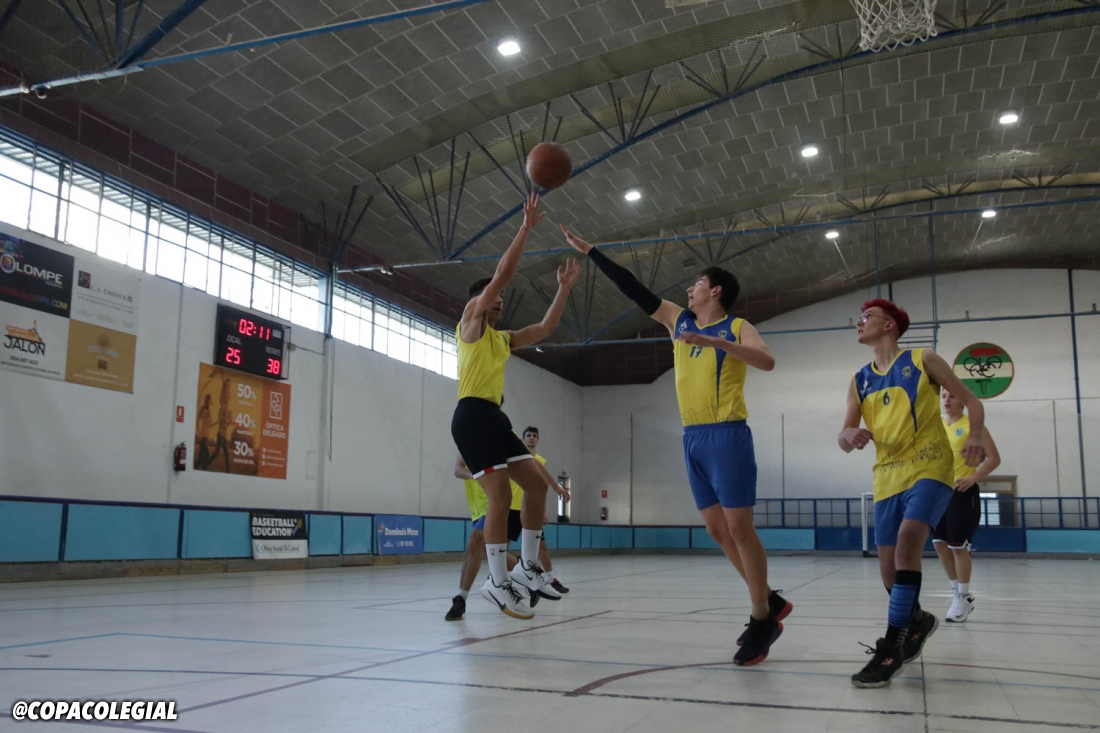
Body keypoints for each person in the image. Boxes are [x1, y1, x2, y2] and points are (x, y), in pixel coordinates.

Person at [559, 225, 791, 667]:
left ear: (715, 291)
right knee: (717, 531)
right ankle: (770, 600)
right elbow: (635, 289)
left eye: (698, 283)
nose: (689, 288)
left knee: (740, 528)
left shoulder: (737, 326)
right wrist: (593, 251)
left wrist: (715, 341)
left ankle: (763, 617)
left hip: (727, 433)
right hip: (693, 437)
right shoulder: (678, 320)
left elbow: (767, 360)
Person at [838, 298, 986, 688]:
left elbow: (972, 400)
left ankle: (891, 649)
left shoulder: (923, 359)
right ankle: (918, 620)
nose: (859, 322)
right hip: (887, 476)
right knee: (889, 571)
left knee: (908, 542)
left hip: (929, 466)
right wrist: (848, 434)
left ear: (889, 325)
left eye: (866, 317)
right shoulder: (859, 380)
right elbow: (843, 438)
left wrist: (974, 434)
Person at [452, 193, 580, 619]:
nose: (500, 303)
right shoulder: (470, 325)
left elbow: (545, 327)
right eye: (495, 299)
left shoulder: (503, 339)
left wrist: (562, 290)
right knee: (500, 495)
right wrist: (525, 228)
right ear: (478, 303)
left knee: (536, 486)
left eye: (502, 302)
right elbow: (502, 275)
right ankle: (496, 582)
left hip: (494, 416)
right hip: (471, 415)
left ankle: (527, 565)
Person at [934, 387, 1000, 623]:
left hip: (963, 492)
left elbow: (994, 458)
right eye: (943, 396)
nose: (947, 400)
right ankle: (957, 594)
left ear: (963, 401)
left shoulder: (974, 426)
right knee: (939, 544)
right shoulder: (936, 426)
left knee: (957, 546)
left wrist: (973, 477)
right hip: (939, 493)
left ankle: (963, 595)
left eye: (952, 396)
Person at [446, 453, 520, 621]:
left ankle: (461, 599)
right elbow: (458, 470)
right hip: (477, 507)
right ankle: (526, 574)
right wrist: (473, 475)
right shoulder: (465, 444)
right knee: (489, 552)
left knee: (475, 541)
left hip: (497, 501)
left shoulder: (500, 442)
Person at [511, 426, 571, 594]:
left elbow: (540, 486)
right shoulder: (514, 454)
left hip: (530, 508)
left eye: (534, 435)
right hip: (512, 507)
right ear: (522, 439)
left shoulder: (540, 461)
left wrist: (542, 510)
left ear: (538, 439)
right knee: (501, 547)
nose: (531, 438)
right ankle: (506, 577)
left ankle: (551, 579)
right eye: (528, 435)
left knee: (541, 545)